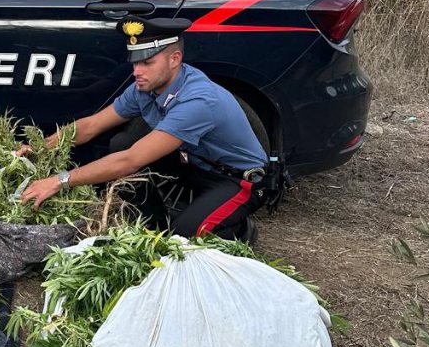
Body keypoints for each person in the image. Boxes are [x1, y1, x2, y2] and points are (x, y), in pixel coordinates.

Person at [20, 17, 269, 243]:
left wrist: (59, 181)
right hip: (195, 164)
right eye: (135, 61)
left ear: (174, 59)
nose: (137, 71)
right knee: (122, 142)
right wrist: (39, 148)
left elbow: (130, 162)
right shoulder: (146, 87)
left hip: (238, 181)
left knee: (184, 238)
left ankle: (238, 229)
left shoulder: (198, 101)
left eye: (148, 62)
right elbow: (91, 125)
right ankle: (154, 224)